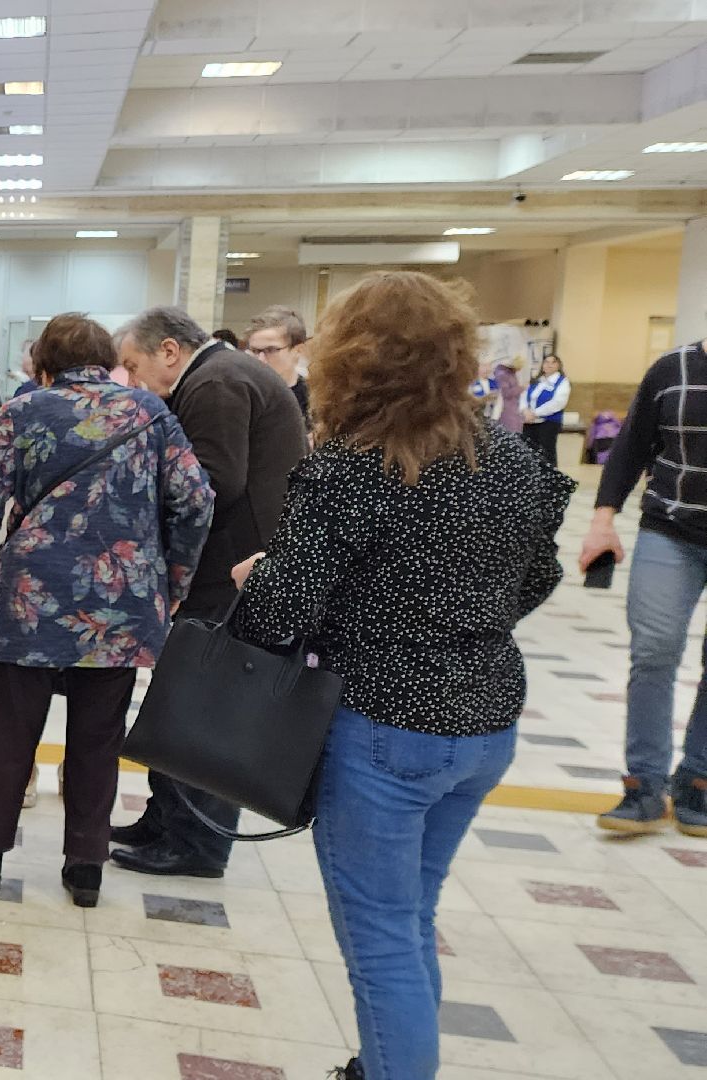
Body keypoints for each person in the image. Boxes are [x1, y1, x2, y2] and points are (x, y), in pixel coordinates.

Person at [227, 271, 572, 1080]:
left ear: (347, 358)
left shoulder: (353, 466)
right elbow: (538, 576)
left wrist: (256, 579)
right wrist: (457, 621)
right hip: (485, 723)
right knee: (408, 918)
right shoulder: (508, 461)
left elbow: (280, 611)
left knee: (379, 940)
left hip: (383, 728)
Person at [0, 313, 214, 908]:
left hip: (34, 602)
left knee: (11, 731)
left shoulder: (26, 410)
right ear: (106, 359)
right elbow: (196, 501)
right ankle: (86, 868)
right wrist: (173, 581)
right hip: (122, 605)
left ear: (44, 364)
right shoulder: (151, 414)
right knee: (98, 737)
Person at [110, 306, 308, 878]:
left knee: (204, 707)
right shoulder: (216, 375)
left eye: (134, 365)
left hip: (232, 572)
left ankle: (196, 842)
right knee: (181, 695)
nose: (133, 379)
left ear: (169, 351)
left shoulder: (218, 382)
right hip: (225, 567)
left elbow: (212, 483)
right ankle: (165, 820)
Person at [586, 339, 707, 837]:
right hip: (670, 530)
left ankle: (698, 778)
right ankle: (644, 785)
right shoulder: (672, 368)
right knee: (654, 649)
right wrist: (602, 520)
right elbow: (633, 444)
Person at [245, 305, 312, 424]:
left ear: (298, 350)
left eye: (271, 350)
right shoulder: (241, 395)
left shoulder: (314, 400)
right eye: (254, 351)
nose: (260, 359)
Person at [522, 354, 570, 468]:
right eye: (546, 362)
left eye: (553, 362)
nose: (549, 365)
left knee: (546, 452)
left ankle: (550, 481)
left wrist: (535, 413)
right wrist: (525, 411)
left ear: (558, 365)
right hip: (530, 422)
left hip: (549, 422)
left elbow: (558, 402)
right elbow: (524, 396)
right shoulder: (537, 381)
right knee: (528, 451)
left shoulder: (562, 382)